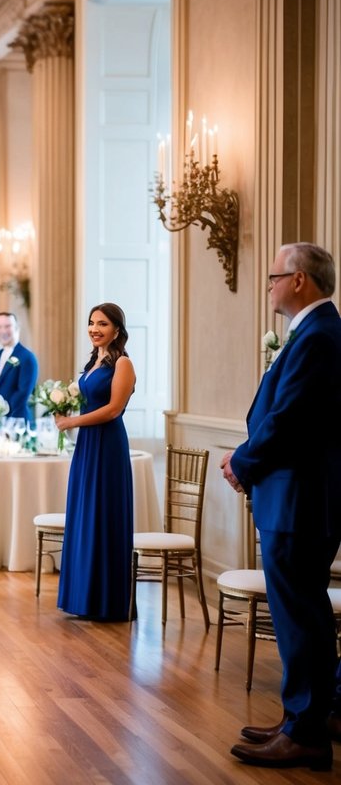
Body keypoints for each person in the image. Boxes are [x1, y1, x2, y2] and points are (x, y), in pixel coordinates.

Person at [221, 243, 341, 772]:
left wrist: (243, 462)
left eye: (273, 277)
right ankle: (304, 717)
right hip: (295, 493)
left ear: (299, 281)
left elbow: (291, 419)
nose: (268, 286)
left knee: (298, 616)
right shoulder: (315, 333)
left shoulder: (318, 337)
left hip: (299, 496)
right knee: (304, 611)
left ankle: (306, 732)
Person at [53, 303, 136, 623]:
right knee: (85, 514)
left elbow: (114, 409)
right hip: (87, 445)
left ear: (117, 329)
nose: (94, 328)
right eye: (91, 323)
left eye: (102, 323)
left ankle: (107, 601)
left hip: (108, 445)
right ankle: (82, 597)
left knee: (103, 514)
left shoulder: (123, 363)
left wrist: (71, 423)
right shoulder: (93, 362)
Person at [0, 312, 39, 425]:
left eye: (7, 326)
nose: (3, 331)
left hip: (17, 423)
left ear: (16, 328)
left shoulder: (27, 358)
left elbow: (22, 394)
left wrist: (0, 414)